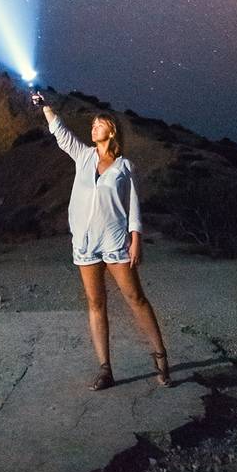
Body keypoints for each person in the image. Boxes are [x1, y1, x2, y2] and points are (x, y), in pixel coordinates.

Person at [31, 89, 172, 390]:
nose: (93, 127)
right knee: (96, 304)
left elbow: (133, 205)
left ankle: (160, 355)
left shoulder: (124, 167)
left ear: (112, 131)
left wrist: (136, 239)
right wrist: (46, 107)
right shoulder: (83, 156)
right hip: (85, 243)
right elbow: (61, 133)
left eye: (99, 124)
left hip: (115, 241)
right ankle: (105, 369)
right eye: (93, 124)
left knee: (135, 299)